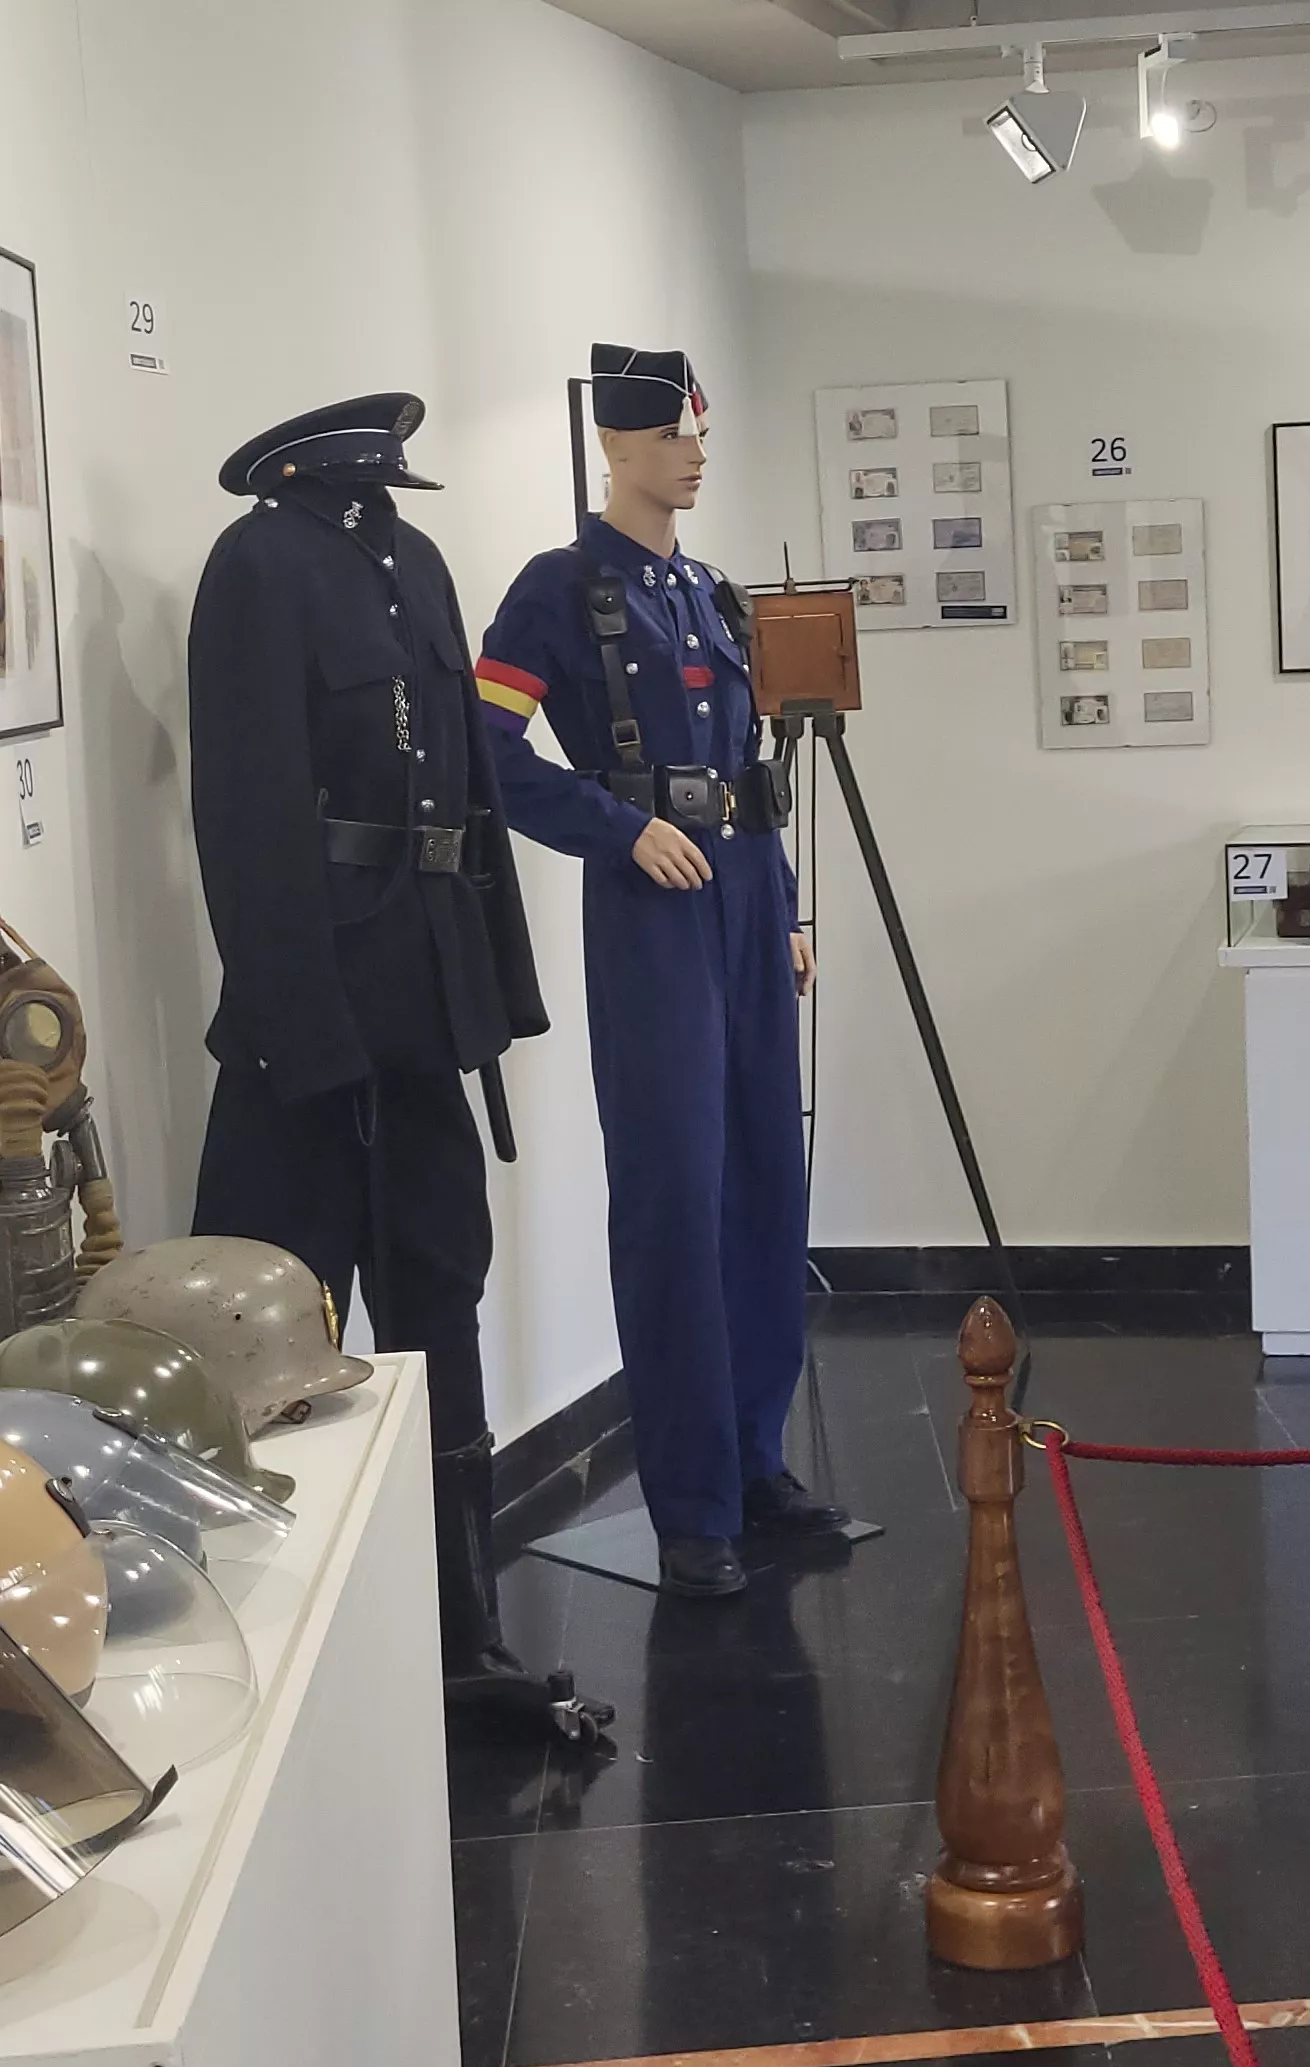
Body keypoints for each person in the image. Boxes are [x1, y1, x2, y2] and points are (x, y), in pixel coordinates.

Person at [185, 392, 598, 1742]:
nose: (383, 503)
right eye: (366, 486)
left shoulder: (409, 566)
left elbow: (468, 788)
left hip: (421, 1006)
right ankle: (280, 1632)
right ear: (320, 482)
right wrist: (302, 1029)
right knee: (267, 1330)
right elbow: (246, 810)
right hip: (312, 1020)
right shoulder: (259, 565)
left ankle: (456, 1625)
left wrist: (493, 984)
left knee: (442, 1293)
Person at [476, 346, 836, 1601]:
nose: (692, 452)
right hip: (649, 902)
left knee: (762, 1184)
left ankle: (752, 1462)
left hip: (739, 896)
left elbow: (754, 767)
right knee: (676, 1197)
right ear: (613, 446)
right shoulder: (559, 591)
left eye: (696, 432)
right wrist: (614, 827)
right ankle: (689, 1506)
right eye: (668, 432)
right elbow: (490, 753)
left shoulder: (711, 592)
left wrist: (781, 908)